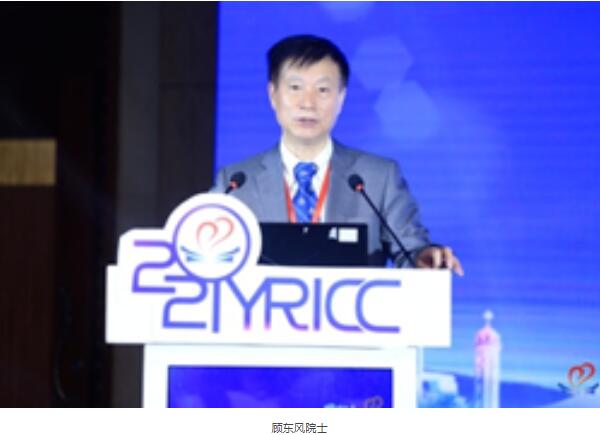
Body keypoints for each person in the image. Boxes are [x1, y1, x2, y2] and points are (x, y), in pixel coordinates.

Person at [213, 34, 463, 275]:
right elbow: (206, 256)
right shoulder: (235, 183)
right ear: (273, 95)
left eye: (322, 90)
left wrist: (424, 258)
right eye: (295, 87)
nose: (307, 103)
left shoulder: (378, 177)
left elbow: (410, 250)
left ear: (341, 98)